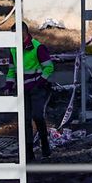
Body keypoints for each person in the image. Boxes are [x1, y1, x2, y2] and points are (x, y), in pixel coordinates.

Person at [21, 25, 56, 160]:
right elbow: (12, 70)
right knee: (25, 120)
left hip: (36, 89)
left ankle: (44, 143)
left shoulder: (37, 47)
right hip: (23, 90)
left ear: (24, 32)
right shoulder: (14, 49)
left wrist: (40, 82)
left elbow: (49, 67)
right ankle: (29, 151)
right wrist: (9, 84)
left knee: (38, 116)